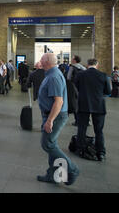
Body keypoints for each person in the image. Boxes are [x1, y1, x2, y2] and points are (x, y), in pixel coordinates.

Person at [36, 53, 79, 185]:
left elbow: (58, 102)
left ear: (47, 62)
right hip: (51, 114)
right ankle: (52, 175)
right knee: (51, 144)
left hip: (55, 116)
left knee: (47, 144)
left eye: (42, 59)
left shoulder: (54, 76)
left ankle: (72, 170)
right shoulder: (50, 73)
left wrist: (50, 121)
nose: (39, 61)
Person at [73, 59, 111, 161]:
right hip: (98, 105)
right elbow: (108, 91)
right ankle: (101, 153)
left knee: (82, 128)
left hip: (83, 104)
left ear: (87, 64)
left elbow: (76, 86)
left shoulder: (81, 75)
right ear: (97, 65)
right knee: (99, 131)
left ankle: (81, 149)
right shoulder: (103, 75)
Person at [67, 56, 86, 126]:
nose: (71, 59)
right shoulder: (83, 68)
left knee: (75, 103)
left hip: (74, 87)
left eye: (72, 58)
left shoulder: (72, 67)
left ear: (74, 60)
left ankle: (77, 121)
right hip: (82, 87)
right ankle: (87, 120)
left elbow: (68, 77)